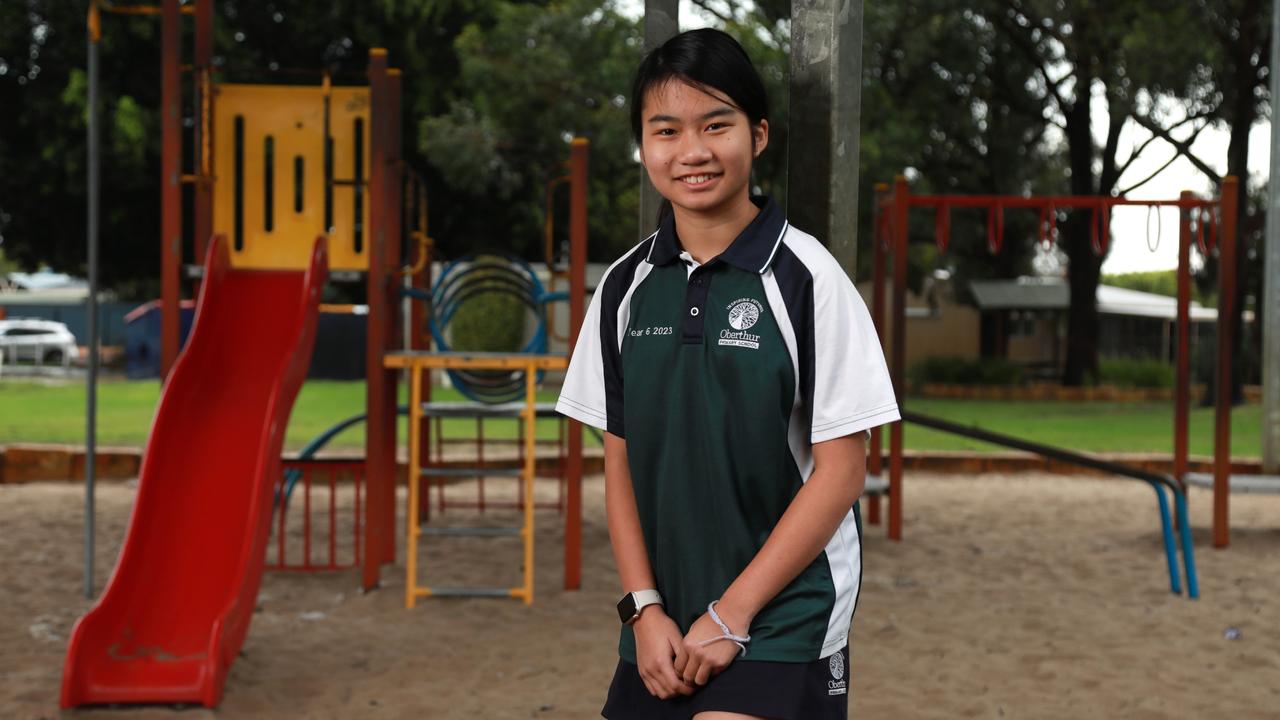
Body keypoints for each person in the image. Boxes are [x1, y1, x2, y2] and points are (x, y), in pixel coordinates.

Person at [555, 28, 899, 720]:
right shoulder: (624, 288)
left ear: (759, 133)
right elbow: (617, 461)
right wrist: (640, 609)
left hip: (783, 613)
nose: (693, 152)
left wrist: (734, 613)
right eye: (667, 130)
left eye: (717, 125)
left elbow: (840, 470)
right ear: (644, 146)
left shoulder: (809, 280)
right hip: (664, 621)